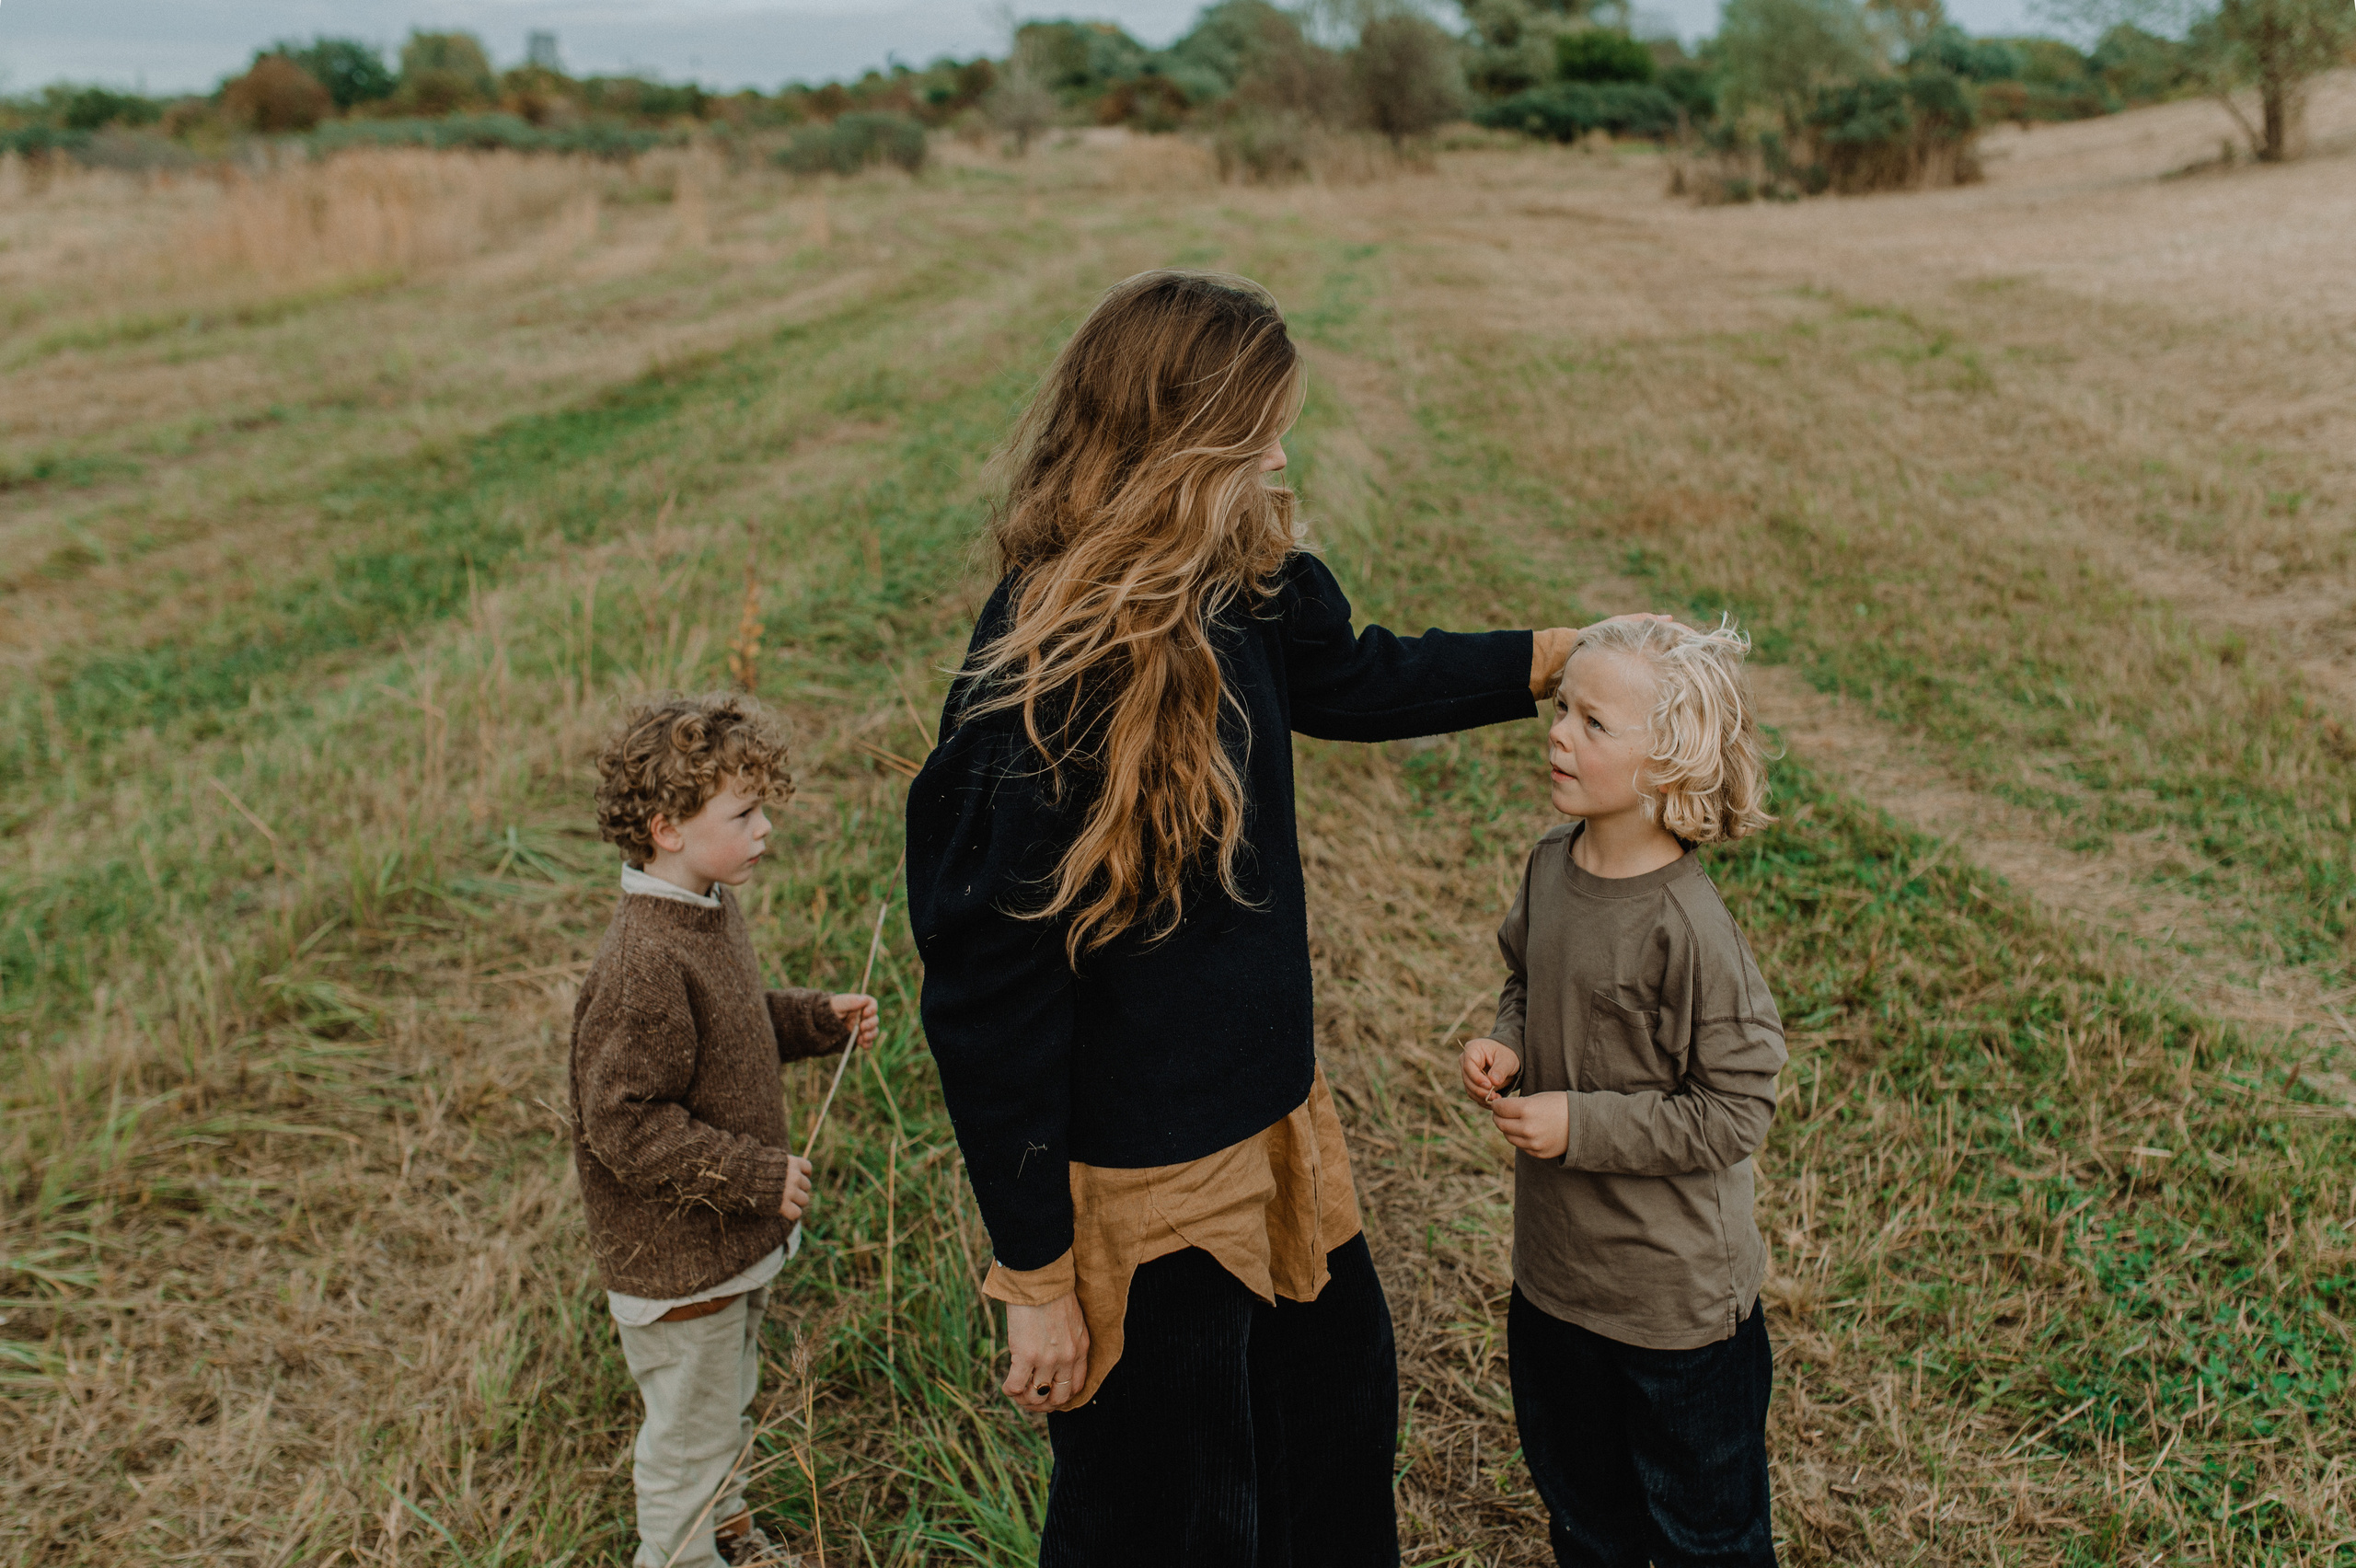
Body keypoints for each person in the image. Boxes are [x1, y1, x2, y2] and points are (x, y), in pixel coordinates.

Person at [905, 269, 1591, 1566]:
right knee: (1165, 1520)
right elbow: (989, 1001)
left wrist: (1558, 655)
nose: (1284, 448)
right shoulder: (1044, 682)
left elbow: (1353, 674)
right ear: (1186, 441)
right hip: (1138, 1184)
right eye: (1262, 425)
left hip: (1279, 1131)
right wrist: (1038, 1276)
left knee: (1331, 1454)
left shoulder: (1240, 578)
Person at [1458, 617, 1787, 1568]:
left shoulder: (1690, 931)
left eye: (1592, 724)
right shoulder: (1551, 867)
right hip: (1557, 1285)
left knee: (1703, 1535)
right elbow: (1528, 976)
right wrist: (1507, 1042)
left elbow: (1735, 1109)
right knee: (1586, 1518)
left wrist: (1580, 1124)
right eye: (1562, 710)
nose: (1557, 733)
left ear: (1668, 766)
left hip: (1671, 1311)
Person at [571, 693, 880, 1568]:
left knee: (724, 1406)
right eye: (742, 814)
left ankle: (731, 1536)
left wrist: (817, 1019)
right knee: (686, 1442)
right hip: (679, 1262)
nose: (765, 828)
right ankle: (684, 1556)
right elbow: (624, 1125)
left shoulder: (704, 907)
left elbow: (734, 1031)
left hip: (724, 1249)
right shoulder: (644, 959)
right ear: (667, 827)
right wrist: (752, 1179)